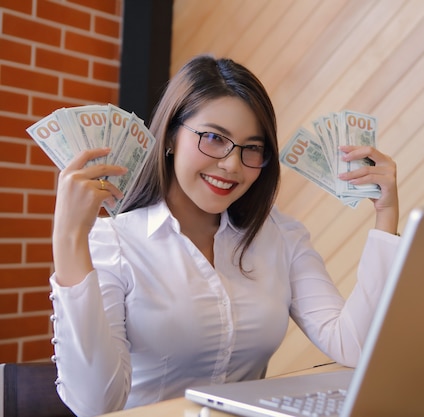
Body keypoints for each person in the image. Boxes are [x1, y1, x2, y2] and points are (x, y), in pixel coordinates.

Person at [49, 54, 400, 416]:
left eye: (251, 148)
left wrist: (386, 215)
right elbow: (95, 404)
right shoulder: (113, 244)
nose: (232, 164)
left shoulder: (282, 237)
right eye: (214, 138)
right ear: (170, 135)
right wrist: (68, 238)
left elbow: (354, 345)